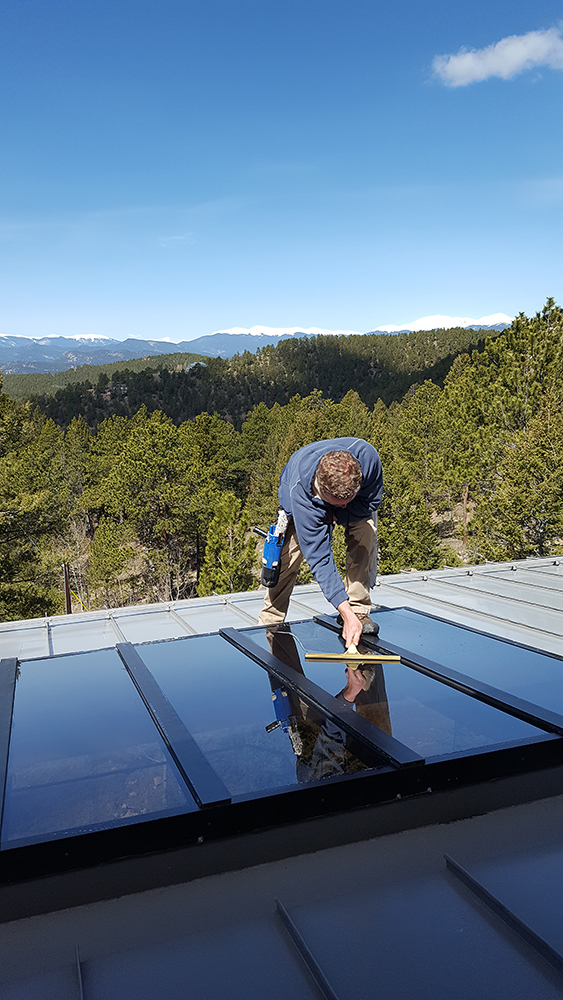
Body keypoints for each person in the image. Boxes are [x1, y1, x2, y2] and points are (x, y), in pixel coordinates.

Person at [258, 437, 383, 648]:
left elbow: (372, 502)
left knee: (365, 531)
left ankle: (358, 611)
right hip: (299, 494)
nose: (342, 508)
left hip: (345, 502)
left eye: (346, 503)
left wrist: (340, 513)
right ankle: (270, 623)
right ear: (321, 490)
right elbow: (320, 559)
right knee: (289, 557)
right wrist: (341, 608)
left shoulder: (368, 459)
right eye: (337, 505)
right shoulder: (302, 495)